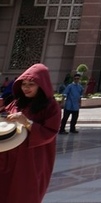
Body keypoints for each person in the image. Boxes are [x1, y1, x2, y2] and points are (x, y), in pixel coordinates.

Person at [0, 63, 61, 203]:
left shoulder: (50, 106)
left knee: (24, 194)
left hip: (31, 162)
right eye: (24, 84)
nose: (26, 88)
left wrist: (27, 122)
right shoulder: (17, 102)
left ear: (41, 85)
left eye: (31, 84)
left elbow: (50, 132)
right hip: (7, 159)